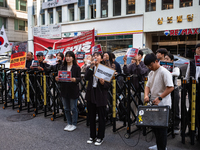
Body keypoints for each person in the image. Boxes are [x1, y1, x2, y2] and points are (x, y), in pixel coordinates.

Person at [144, 53, 174, 150]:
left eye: (150, 65)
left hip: (163, 105)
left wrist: (160, 98)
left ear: (156, 61)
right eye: (147, 66)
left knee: (162, 129)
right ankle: (158, 145)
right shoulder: (151, 73)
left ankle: (162, 147)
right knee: (155, 127)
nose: (149, 67)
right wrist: (146, 95)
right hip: (154, 103)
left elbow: (170, 87)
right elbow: (147, 86)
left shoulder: (164, 72)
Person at [85, 52, 111, 146]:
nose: (95, 57)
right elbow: (86, 77)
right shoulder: (90, 67)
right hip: (91, 94)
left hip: (100, 94)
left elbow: (109, 85)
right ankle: (92, 136)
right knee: (91, 116)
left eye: (97, 56)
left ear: (101, 59)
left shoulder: (105, 69)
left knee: (101, 117)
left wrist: (103, 83)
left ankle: (100, 137)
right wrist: (91, 67)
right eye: (94, 56)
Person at [55, 51, 81, 132]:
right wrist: (57, 78)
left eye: (70, 56)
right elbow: (60, 77)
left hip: (73, 90)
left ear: (73, 58)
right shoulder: (63, 67)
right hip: (64, 90)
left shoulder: (77, 68)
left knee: (73, 108)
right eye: (66, 56)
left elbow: (79, 78)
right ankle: (69, 123)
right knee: (66, 108)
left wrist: (75, 79)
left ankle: (74, 124)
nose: (68, 58)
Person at [165, 53, 180, 134]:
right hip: (166, 90)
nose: (165, 60)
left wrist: (167, 73)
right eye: (165, 59)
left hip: (174, 89)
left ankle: (176, 126)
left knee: (175, 107)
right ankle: (168, 125)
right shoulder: (162, 68)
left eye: (167, 59)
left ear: (171, 60)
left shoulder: (175, 68)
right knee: (167, 108)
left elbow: (177, 73)